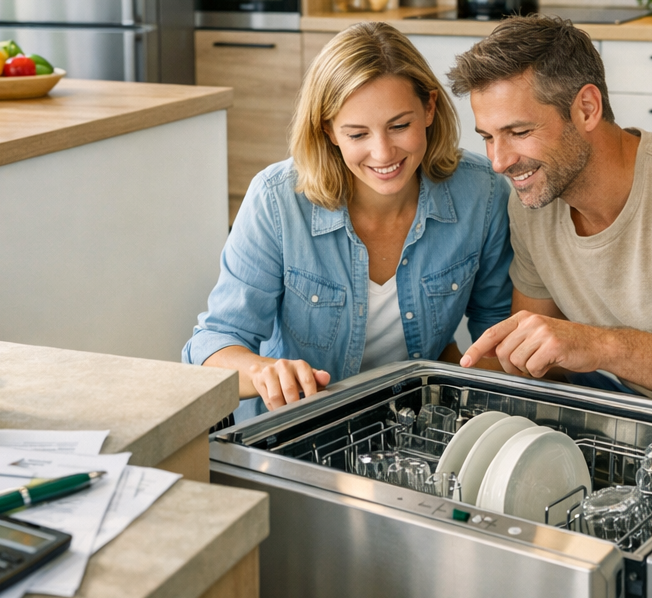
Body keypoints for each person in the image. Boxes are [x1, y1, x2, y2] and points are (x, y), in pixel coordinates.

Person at [447, 15, 652, 415]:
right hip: (634, 420)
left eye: (519, 133)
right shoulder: (534, 202)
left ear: (587, 109)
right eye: (487, 137)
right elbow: (537, 366)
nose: (499, 162)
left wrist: (598, 345)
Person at [182, 22, 513, 415]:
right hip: (299, 428)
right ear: (329, 130)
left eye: (399, 126)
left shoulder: (482, 192)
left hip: (415, 426)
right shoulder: (277, 199)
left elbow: (498, 331)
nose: (383, 152)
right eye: (357, 135)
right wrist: (263, 371)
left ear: (429, 107)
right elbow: (211, 345)